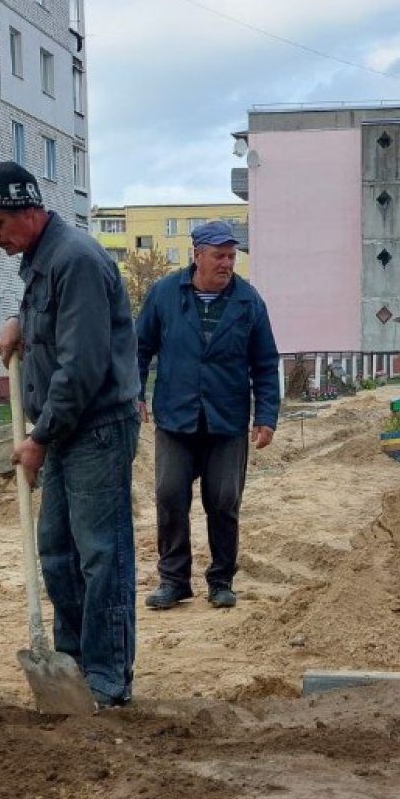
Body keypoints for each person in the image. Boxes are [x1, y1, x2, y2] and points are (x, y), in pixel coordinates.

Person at [0, 161, 142, 709]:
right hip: (66, 428)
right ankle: (71, 664)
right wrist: (21, 323)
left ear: (28, 211)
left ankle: (108, 678)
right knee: (58, 552)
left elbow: (83, 366)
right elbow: (55, 329)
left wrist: (40, 437)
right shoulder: (41, 263)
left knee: (100, 555)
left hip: (94, 428)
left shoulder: (77, 261)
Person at [135, 220, 280, 611]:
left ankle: (221, 581)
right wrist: (135, 393)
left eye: (232, 256)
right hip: (176, 417)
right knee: (169, 496)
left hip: (226, 420)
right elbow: (139, 348)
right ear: (197, 255)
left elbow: (265, 363)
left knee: (223, 501)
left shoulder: (249, 301)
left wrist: (266, 415)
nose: (227, 263)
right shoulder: (165, 294)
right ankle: (174, 581)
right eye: (219, 256)